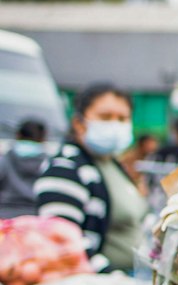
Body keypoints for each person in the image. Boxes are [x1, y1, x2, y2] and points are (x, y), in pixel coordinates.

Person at [34, 83, 149, 273]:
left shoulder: (113, 165)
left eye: (122, 118)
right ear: (79, 123)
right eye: (105, 117)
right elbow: (62, 241)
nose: (115, 125)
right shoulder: (66, 167)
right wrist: (110, 276)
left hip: (128, 281)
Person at [0, 119, 48, 218]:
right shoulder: (48, 164)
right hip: (35, 220)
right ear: (43, 139)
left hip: (4, 218)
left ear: (17, 135)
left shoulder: (4, 160)